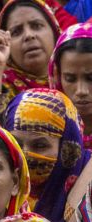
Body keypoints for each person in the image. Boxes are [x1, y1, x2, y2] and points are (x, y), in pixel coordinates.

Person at [5, 88, 90, 222]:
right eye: (16, 143)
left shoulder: (88, 182)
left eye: (39, 145)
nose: (25, 154)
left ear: (66, 146)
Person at [0, 0, 60, 119]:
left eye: (37, 25)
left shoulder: (72, 73)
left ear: (55, 31)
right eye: (16, 32)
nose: (29, 35)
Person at [49, 22, 92, 151]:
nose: (81, 91)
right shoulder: (46, 128)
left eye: (91, 78)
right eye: (70, 79)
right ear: (57, 76)